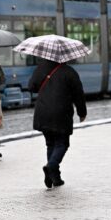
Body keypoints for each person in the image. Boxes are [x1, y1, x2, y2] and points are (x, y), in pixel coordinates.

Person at [28, 58, 87, 188]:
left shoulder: (41, 68)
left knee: (50, 144)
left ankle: (55, 177)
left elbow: (31, 87)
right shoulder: (69, 72)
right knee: (62, 144)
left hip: (43, 111)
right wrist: (82, 112)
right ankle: (51, 167)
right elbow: (79, 94)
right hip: (61, 113)